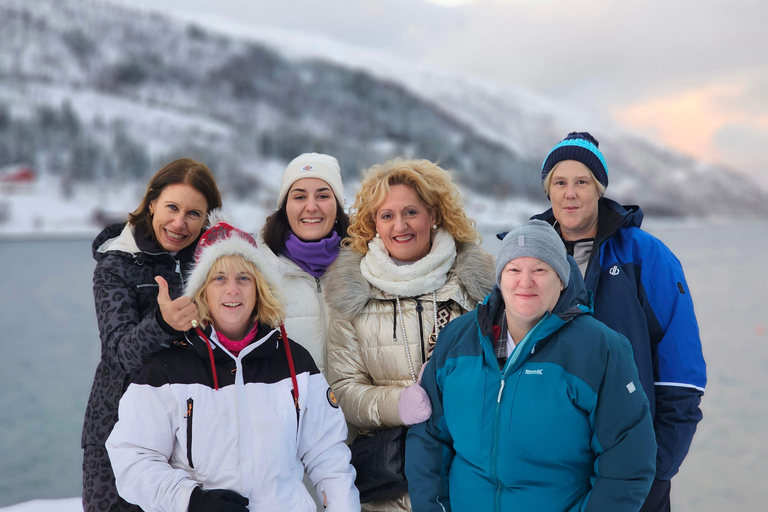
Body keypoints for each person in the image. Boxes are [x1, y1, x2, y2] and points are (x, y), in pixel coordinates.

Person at [106, 214, 360, 512]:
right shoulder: (166, 369)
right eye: (219, 279)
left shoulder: (294, 361)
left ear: (259, 289)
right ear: (202, 290)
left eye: (243, 278)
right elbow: (132, 458)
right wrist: (192, 501)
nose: (232, 290)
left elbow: (328, 457)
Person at [406, 220, 657, 512]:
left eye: (540, 269)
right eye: (514, 270)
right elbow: (428, 440)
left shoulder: (600, 348)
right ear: (500, 278)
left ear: (561, 280)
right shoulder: (458, 338)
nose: (525, 282)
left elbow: (628, 463)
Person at [530, 131, 707, 512]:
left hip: (632, 464)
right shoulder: (529, 257)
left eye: (582, 182)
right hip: (548, 469)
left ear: (599, 190)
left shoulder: (644, 255)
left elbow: (682, 373)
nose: (570, 193)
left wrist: (658, 469)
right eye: (560, 182)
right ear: (549, 191)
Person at [325, 158, 496, 512]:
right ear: (373, 223)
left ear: (433, 214)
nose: (399, 226)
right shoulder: (351, 295)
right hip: (390, 486)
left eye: (411, 212)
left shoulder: (477, 288)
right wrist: (400, 403)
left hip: (468, 476)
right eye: (386, 215)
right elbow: (342, 389)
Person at [82, 158, 222, 512]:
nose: (179, 222)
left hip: (191, 429)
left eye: (193, 213)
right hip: (117, 428)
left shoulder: (214, 264)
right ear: (152, 201)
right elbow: (120, 352)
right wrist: (163, 323)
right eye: (172, 207)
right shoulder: (117, 264)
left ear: (206, 218)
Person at [259, 152, 349, 374]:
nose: (311, 207)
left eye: (323, 196)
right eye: (299, 197)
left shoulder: (366, 266)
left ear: (337, 206)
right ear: (285, 207)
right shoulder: (257, 271)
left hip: (354, 408)